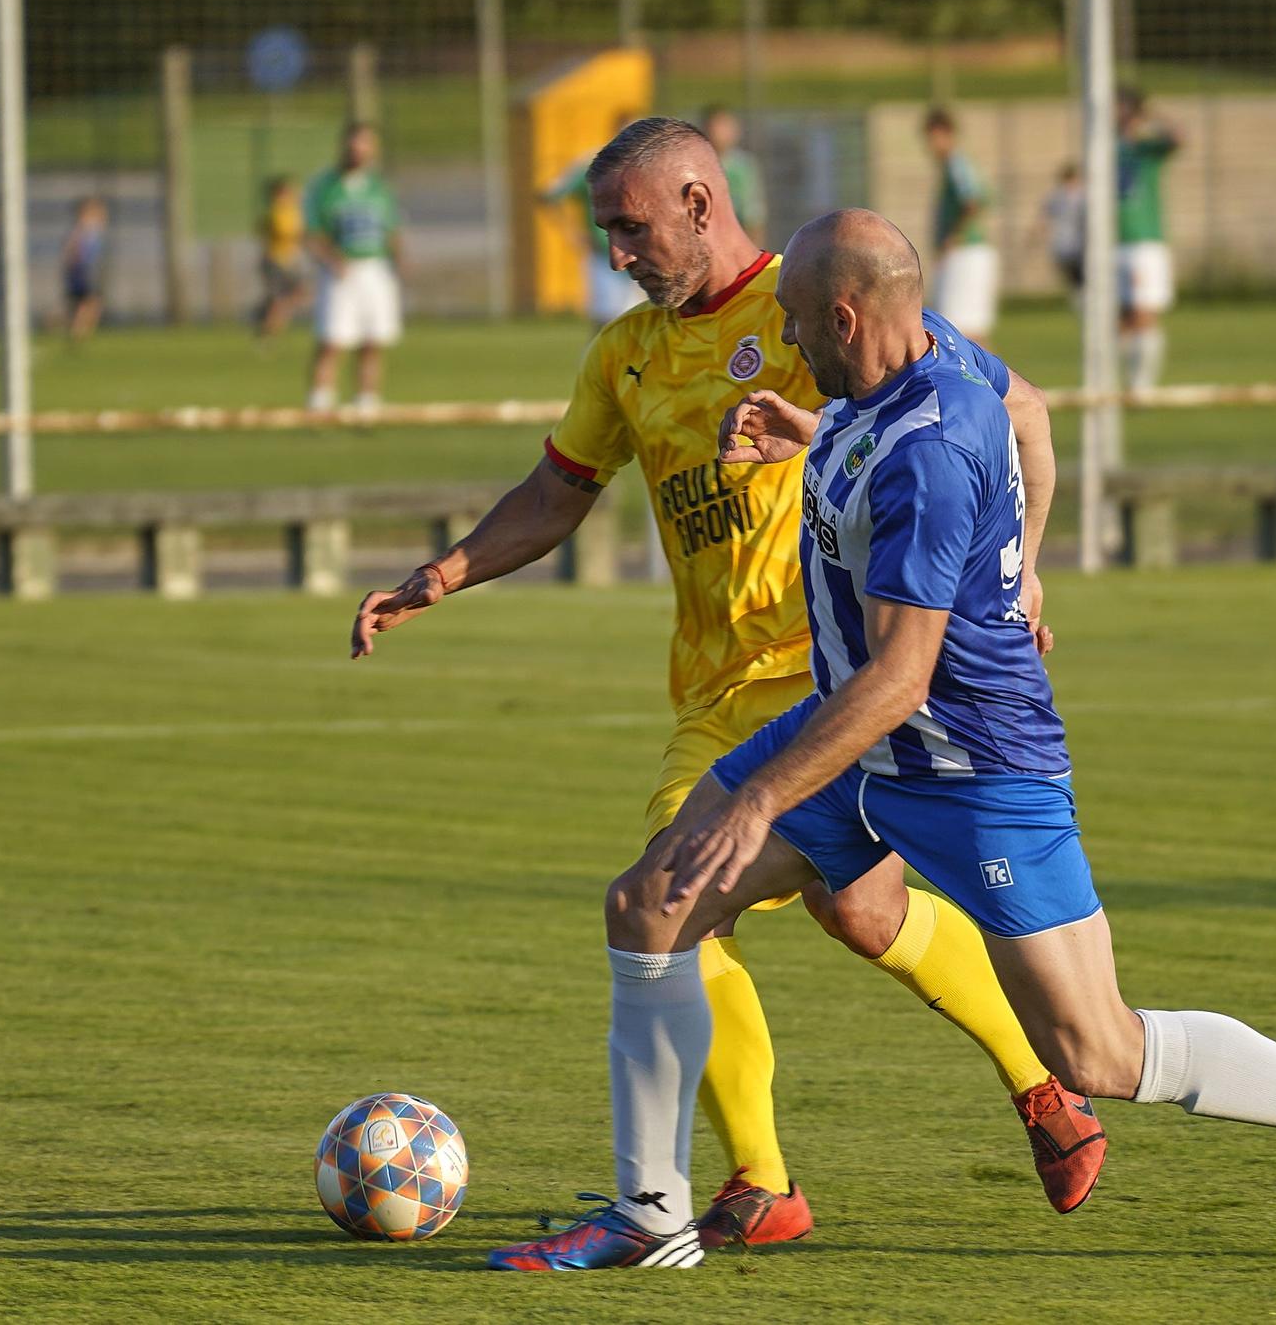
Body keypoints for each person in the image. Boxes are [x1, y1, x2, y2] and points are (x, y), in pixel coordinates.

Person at [484, 207, 1276, 1271]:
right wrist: (961, 526)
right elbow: (1027, 427)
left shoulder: (927, 450)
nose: (787, 336)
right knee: (650, 901)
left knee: (1096, 1047)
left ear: (846, 316)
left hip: (967, 765)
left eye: (798, 321)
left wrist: (763, 797)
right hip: (858, 742)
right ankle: (649, 1214)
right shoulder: (897, 383)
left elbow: (901, 671)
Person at [350, 118, 1101, 1256]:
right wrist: (443, 572)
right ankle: (1045, 1090)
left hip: (838, 678)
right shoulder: (624, 355)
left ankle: (756, 1180)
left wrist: (1019, 570)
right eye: (607, 231)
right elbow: (557, 494)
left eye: (632, 226)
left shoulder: (815, 304)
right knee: (852, 907)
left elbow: (1004, 412)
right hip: (712, 692)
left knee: (673, 898)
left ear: (700, 203)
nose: (618, 252)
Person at [304, 122, 405, 414]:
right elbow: (312, 232)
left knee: (373, 339)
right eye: (354, 144)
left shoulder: (379, 187)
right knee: (332, 340)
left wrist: (399, 256)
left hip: (375, 268)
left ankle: (367, 403)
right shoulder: (325, 186)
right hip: (341, 270)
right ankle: (320, 403)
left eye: (365, 145)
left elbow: (392, 226)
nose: (359, 151)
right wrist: (331, 259)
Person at [541, 111, 644, 330]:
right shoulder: (594, 165)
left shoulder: (648, 168)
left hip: (643, 254)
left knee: (644, 321)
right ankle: (598, 362)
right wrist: (573, 234)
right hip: (604, 254)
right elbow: (550, 196)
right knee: (606, 322)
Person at [1116, 86, 1181, 395]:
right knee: (1121, 317)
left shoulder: (1146, 147)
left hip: (1144, 242)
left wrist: (1152, 114)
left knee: (1144, 312)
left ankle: (1143, 386)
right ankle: (1122, 381)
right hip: (1115, 242)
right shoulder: (1109, 148)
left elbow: (1179, 138)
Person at [921, 108, 998, 346]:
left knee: (963, 332)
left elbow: (973, 201)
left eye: (933, 137)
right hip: (965, 253)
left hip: (966, 252)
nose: (930, 145)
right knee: (962, 331)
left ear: (945, 133)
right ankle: (986, 382)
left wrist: (954, 237)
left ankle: (988, 382)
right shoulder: (953, 166)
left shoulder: (957, 163)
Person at [702, 104, 766, 244]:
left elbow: (753, 217)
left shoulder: (743, 167)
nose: (719, 132)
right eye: (715, 126)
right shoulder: (695, 165)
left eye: (725, 126)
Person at [256, 176, 308, 339]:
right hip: (275, 260)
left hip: (288, 261)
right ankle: (266, 331)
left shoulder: (292, 211)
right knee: (280, 299)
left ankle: (269, 328)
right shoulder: (276, 212)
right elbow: (284, 233)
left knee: (295, 295)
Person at [60, 196, 107, 347]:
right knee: (88, 303)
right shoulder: (82, 229)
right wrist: (73, 264)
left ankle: (80, 333)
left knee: (91, 304)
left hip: (86, 270)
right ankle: (76, 333)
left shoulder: (91, 228)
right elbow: (71, 250)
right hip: (84, 271)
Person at [1036, 162, 1086, 303]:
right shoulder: (1057, 197)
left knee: (1083, 277)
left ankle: (1084, 301)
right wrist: (1038, 234)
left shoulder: (1083, 195)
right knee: (1073, 279)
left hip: (1081, 244)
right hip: (1064, 245)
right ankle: (1079, 301)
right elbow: (1044, 216)